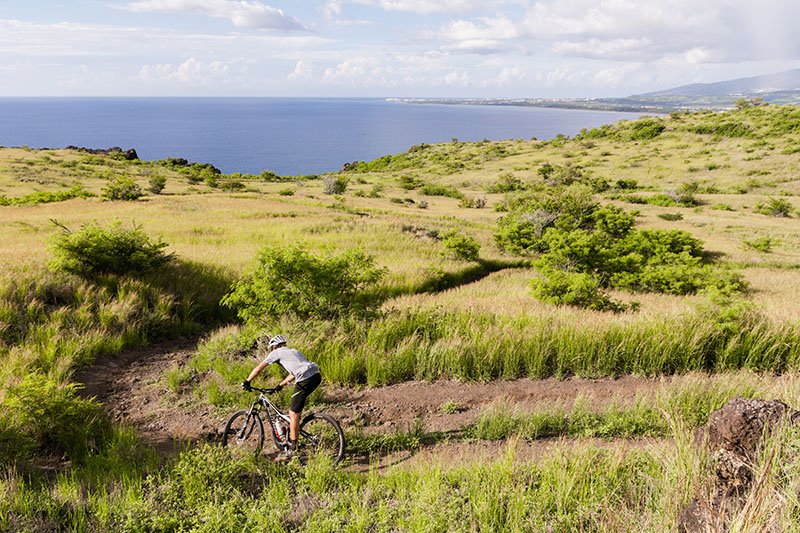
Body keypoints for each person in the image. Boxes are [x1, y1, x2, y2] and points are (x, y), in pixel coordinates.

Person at [241, 334, 321, 458]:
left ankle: (292, 449)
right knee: (296, 412)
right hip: (316, 376)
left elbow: (259, 368)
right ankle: (295, 432)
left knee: (293, 414)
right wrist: (280, 385)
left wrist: (247, 381)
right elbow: (294, 373)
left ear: (273, 347)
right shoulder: (294, 351)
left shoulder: (276, 352)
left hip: (305, 379)